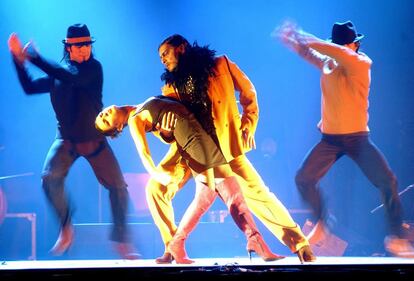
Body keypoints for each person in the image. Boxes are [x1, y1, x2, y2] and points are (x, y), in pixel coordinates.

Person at [145, 34, 315, 264]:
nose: (163, 60)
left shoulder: (221, 64)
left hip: (226, 146)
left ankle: (299, 243)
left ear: (181, 48)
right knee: (156, 189)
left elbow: (248, 93)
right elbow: (169, 124)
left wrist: (248, 124)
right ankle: (171, 246)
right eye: (160, 57)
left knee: (260, 195)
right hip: (191, 151)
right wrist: (164, 133)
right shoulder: (170, 86)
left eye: (165, 53)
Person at [276, 20, 414, 257]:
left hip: (357, 139)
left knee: (387, 182)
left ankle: (397, 237)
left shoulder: (361, 62)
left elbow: (334, 50)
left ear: (353, 45)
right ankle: (322, 222)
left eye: (342, 46)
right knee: (303, 178)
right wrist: (293, 42)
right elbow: (312, 54)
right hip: (330, 140)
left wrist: (300, 33)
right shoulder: (330, 63)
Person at [95, 96, 284, 263]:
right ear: (118, 127)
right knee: (190, 192)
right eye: (105, 120)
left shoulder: (139, 107)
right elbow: (144, 152)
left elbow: (170, 117)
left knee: (227, 192)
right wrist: (156, 173)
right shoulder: (136, 119)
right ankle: (175, 244)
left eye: (102, 114)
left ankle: (254, 241)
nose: (104, 114)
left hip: (198, 137)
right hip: (190, 142)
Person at [7, 24, 137, 259]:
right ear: (69, 47)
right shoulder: (59, 73)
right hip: (66, 141)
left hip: (94, 141)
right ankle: (66, 226)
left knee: (118, 187)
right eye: (79, 46)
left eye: (87, 45)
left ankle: (121, 242)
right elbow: (29, 87)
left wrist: (34, 56)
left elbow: (70, 77)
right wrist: (18, 60)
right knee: (49, 179)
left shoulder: (93, 69)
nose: (84, 50)